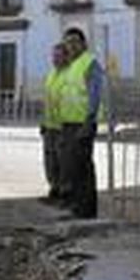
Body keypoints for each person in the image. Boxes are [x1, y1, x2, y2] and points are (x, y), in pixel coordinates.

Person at [54, 27, 105, 219]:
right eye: (68, 42)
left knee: (83, 168)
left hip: (83, 123)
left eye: (75, 41)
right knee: (72, 168)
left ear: (84, 44)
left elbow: (95, 94)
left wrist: (89, 121)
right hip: (69, 124)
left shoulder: (89, 63)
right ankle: (77, 207)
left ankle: (87, 211)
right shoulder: (72, 65)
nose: (71, 45)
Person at [41, 43, 69, 205]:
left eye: (58, 56)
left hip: (63, 127)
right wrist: (43, 123)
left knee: (63, 162)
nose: (55, 59)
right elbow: (48, 100)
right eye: (53, 56)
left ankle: (65, 193)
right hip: (50, 126)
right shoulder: (52, 74)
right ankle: (54, 188)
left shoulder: (69, 76)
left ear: (66, 57)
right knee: (50, 160)